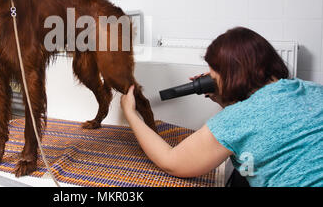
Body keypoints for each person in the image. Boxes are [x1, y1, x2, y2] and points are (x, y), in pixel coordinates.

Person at [120, 27, 323, 187]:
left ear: (232, 75)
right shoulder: (313, 90)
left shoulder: (237, 118)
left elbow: (171, 161)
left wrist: (130, 113)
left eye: (213, 72)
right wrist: (224, 99)